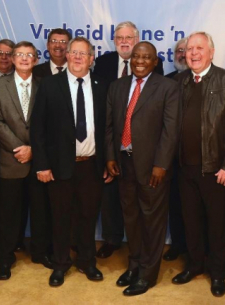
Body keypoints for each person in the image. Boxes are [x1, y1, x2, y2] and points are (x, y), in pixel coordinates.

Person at [31, 36, 111, 287]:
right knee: (61, 217)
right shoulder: (49, 85)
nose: (77, 57)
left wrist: (109, 161)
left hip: (91, 165)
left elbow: (109, 128)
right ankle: (61, 264)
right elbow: (38, 129)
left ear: (91, 58)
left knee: (88, 216)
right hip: (58, 166)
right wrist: (42, 164)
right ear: (66, 55)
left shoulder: (102, 85)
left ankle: (87, 262)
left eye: (82, 53)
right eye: (73, 52)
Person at [171, 32, 225, 297]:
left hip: (216, 170)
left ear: (211, 52)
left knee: (216, 224)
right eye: (190, 49)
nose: (193, 53)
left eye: (199, 48)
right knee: (190, 221)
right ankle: (194, 265)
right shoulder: (179, 81)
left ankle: (217, 273)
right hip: (184, 168)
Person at [105, 41, 180, 296]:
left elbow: (171, 132)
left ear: (155, 61)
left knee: (152, 221)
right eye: (135, 56)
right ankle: (134, 265)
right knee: (132, 219)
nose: (139, 61)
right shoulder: (117, 86)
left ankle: (147, 274)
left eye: (145, 57)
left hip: (152, 168)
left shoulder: (168, 88)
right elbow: (110, 126)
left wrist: (161, 165)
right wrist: (110, 156)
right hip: (123, 163)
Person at [93, 21, 164, 259]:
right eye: (119, 37)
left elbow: (157, 111)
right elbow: (105, 112)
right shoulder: (103, 63)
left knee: (143, 208)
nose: (124, 41)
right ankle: (113, 240)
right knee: (114, 199)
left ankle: (142, 257)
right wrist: (108, 153)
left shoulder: (155, 68)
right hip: (114, 145)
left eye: (128, 38)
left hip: (145, 152)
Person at [0, 41, 52, 281]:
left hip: (38, 161)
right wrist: (20, 148)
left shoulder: (44, 86)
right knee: (7, 214)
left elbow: (49, 123)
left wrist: (34, 150)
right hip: (10, 160)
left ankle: (40, 253)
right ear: (12, 59)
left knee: (40, 212)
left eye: (30, 55)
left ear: (36, 60)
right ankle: (4, 258)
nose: (25, 59)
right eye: (20, 55)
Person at [163, 36, 188, 262]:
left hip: (195, 156)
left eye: (186, 50)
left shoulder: (209, 80)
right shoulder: (166, 80)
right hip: (171, 156)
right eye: (179, 51)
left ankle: (197, 248)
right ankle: (178, 244)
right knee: (175, 203)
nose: (183, 54)